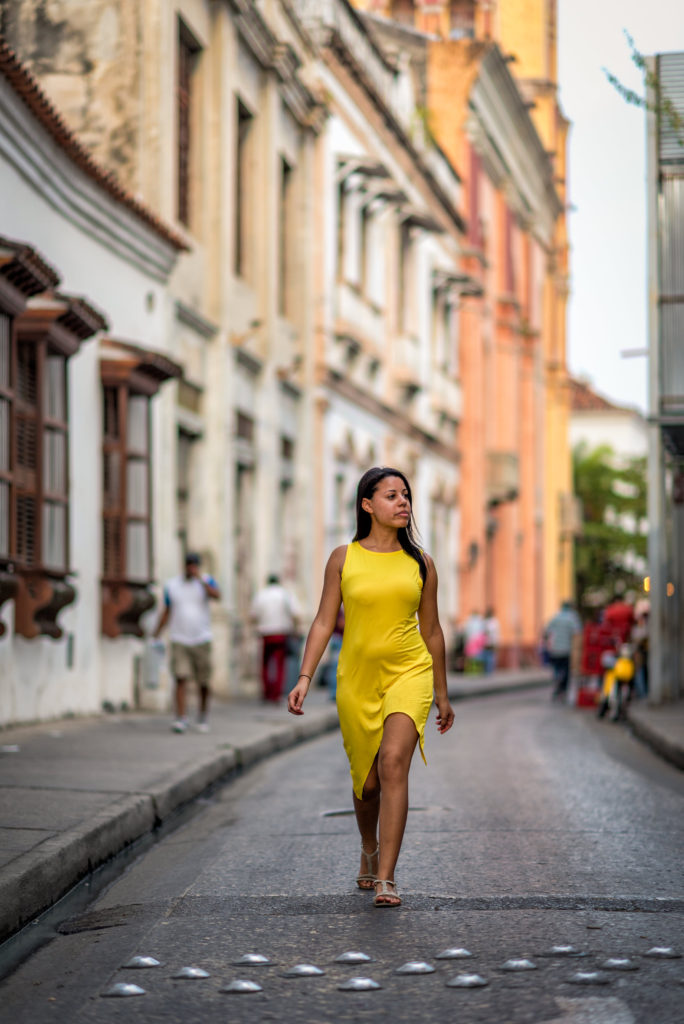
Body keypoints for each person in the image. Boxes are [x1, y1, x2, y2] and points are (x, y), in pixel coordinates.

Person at [288, 467, 455, 908]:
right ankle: (369, 847)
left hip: (409, 672)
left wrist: (441, 691)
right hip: (357, 680)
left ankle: (387, 878)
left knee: (394, 761)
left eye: (406, 496)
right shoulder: (343, 558)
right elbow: (325, 621)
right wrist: (305, 676)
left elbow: (432, 630)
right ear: (367, 505)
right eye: (391, 496)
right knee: (367, 783)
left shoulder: (421, 562)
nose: (403, 503)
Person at [155, 552, 221, 733]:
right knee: (180, 677)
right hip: (179, 638)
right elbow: (167, 610)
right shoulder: (172, 585)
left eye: (194, 565)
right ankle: (180, 718)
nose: (191, 568)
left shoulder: (207, 581)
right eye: (188, 565)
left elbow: (217, 595)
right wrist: (157, 632)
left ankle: (202, 715)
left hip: (202, 638)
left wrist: (200, 580)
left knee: (204, 681)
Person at [251, 575, 300, 703]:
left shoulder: (261, 595)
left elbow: (253, 615)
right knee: (279, 664)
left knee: (265, 664)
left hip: (265, 632)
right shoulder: (285, 594)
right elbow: (295, 613)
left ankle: (267, 692)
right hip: (281, 632)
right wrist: (295, 629)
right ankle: (276, 693)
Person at [544, 600, 582, 702]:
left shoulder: (555, 617)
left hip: (555, 649)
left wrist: (548, 642)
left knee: (556, 669)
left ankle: (557, 683)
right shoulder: (572, 618)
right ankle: (563, 689)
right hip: (567, 649)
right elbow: (577, 632)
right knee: (566, 671)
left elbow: (546, 631)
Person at [482, 607, 500, 674]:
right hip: (486, 642)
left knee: (491, 657)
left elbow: (494, 633)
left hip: (491, 642)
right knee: (488, 656)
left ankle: (490, 670)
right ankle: (488, 670)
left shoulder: (493, 622)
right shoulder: (486, 621)